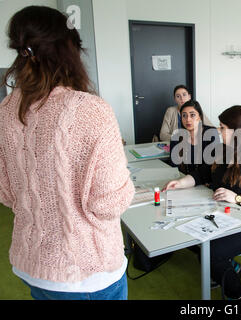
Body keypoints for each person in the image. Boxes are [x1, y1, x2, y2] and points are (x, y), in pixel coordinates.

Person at [0, 6, 135, 300]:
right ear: (69, 50)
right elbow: (109, 203)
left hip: (34, 264)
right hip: (86, 272)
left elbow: (6, 193)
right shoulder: (91, 110)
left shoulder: (6, 110)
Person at [164, 105, 241, 299]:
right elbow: (202, 173)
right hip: (227, 213)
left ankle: (237, 296)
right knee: (190, 235)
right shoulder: (222, 149)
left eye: (222, 128)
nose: (218, 131)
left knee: (210, 251)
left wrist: (236, 198)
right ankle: (230, 269)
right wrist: (180, 182)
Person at [169, 99, 220, 175]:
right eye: (184, 115)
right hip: (183, 181)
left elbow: (211, 166)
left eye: (192, 115)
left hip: (205, 181)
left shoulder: (211, 133)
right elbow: (174, 166)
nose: (188, 119)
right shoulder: (177, 136)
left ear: (199, 117)